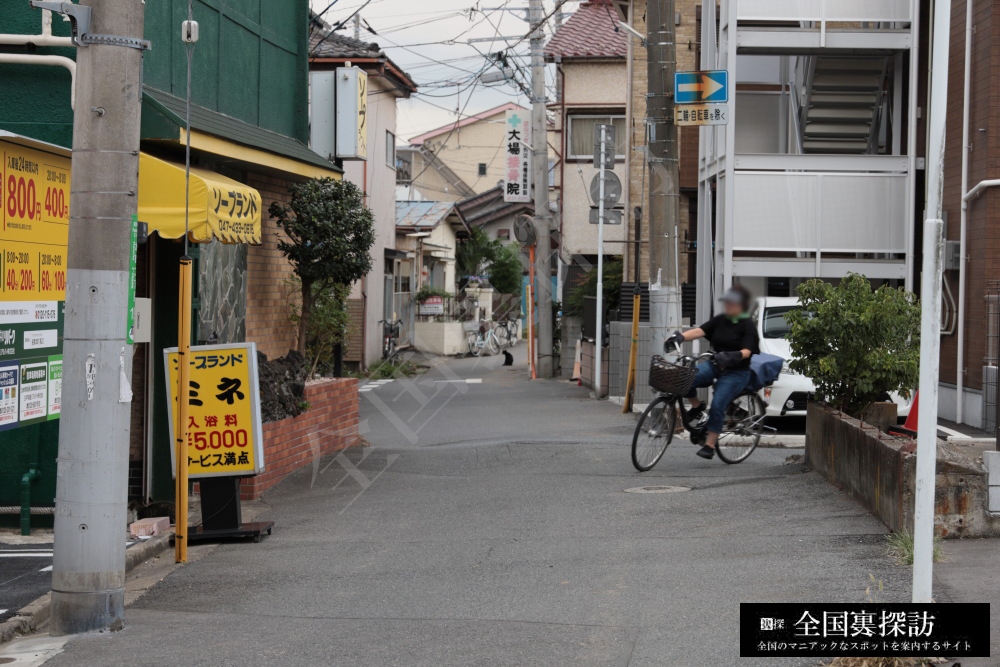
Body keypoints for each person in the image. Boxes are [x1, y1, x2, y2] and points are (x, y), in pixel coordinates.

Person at [664, 285, 760, 460]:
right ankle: (696, 406)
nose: (729, 306)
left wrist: (734, 355)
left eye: (732, 303)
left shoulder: (747, 325)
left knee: (717, 404)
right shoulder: (721, 320)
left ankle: (710, 445)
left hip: (737, 372)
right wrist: (681, 337)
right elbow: (701, 331)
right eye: (727, 303)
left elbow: (748, 351)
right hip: (716, 364)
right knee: (686, 377)